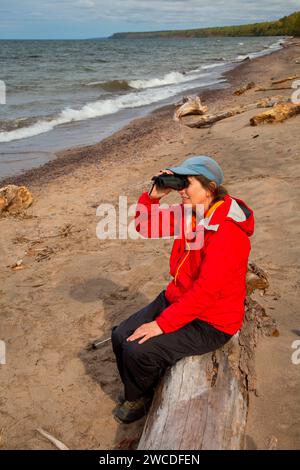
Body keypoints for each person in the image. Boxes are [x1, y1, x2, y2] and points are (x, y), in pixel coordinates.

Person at [111, 155, 254, 424]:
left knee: (136, 350)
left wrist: (162, 325)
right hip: (178, 298)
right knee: (120, 336)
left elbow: (206, 292)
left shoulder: (227, 233)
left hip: (211, 321)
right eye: (180, 183)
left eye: (187, 184)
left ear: (210, 188)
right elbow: (144, 225)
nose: (181, 191)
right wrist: (153, 197)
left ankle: (139, 397)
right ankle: (138, 386)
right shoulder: (191, 213)